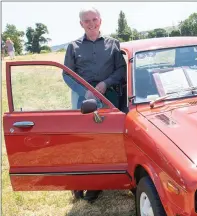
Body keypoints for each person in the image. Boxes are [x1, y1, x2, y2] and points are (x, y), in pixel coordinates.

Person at [62, 6, 127, 203]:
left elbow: (122, 70)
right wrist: (85, 91)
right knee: (83, 141)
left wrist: (104, 84)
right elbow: (66, 74)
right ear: (81, 24)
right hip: (84, 100)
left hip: (110, 98)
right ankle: (79, 182)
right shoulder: (73, 47)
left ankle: (96, 184)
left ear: (101, 20)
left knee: (105, 141)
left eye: (94, 19)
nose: (91, 24)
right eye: (86, 21)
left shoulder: (113, 44)